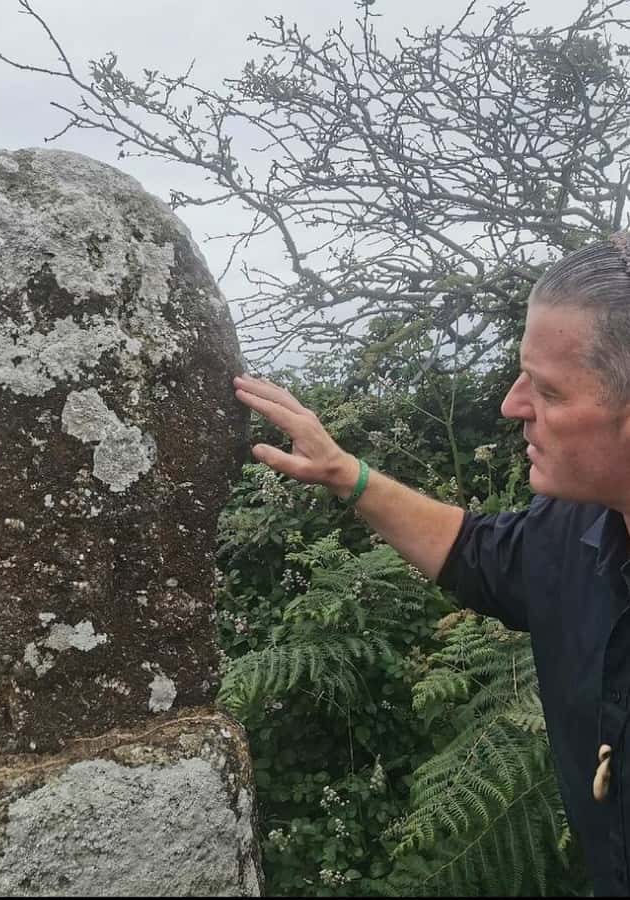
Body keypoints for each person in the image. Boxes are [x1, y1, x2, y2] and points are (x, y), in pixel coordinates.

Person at [233, 231, 630, 897]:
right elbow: (474, 551)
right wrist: (345, 474)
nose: (512, 405)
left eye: (548, 390)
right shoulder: (574, 529)